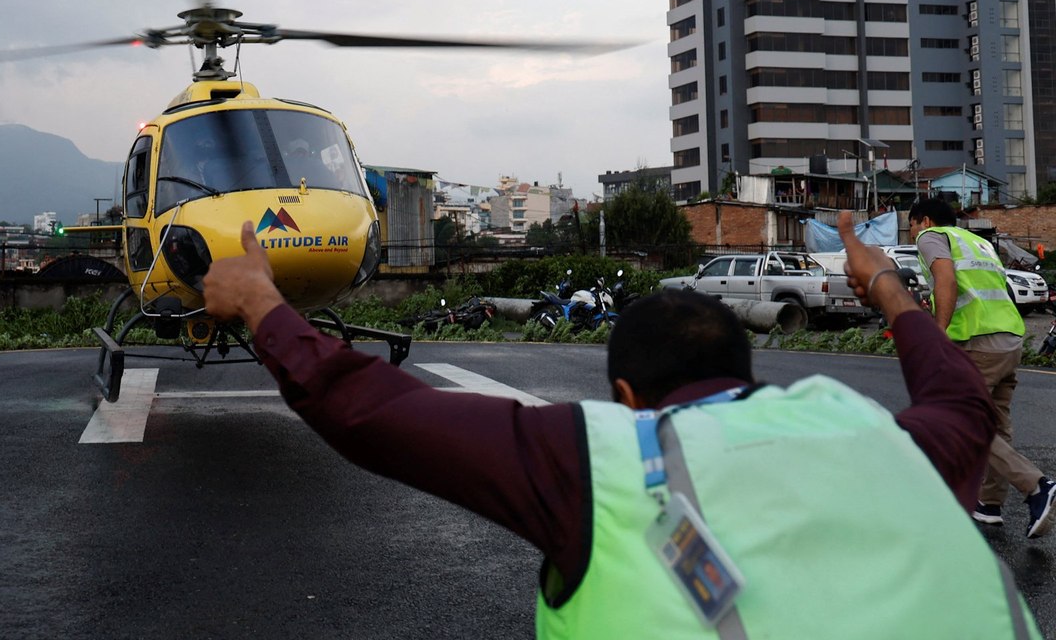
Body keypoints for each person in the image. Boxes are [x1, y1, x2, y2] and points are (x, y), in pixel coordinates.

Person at [202, 212, 1040, 637]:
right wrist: (887, 288)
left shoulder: (603, 458)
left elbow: (371, 411)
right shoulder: (876, 436)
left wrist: (260, 303)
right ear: (743, 372)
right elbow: (957, 397)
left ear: (629, 396)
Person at [909, 197, 1056, 537]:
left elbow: (945, 281)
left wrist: (938, 334)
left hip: (977, 342)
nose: (911, 233)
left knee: (960, 419)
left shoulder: (931, 237)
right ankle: (989, 505)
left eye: (912, 225)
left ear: (924, 220)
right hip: (1010, 339)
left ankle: (1036, 485)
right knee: (996, 423)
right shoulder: (978, 242)